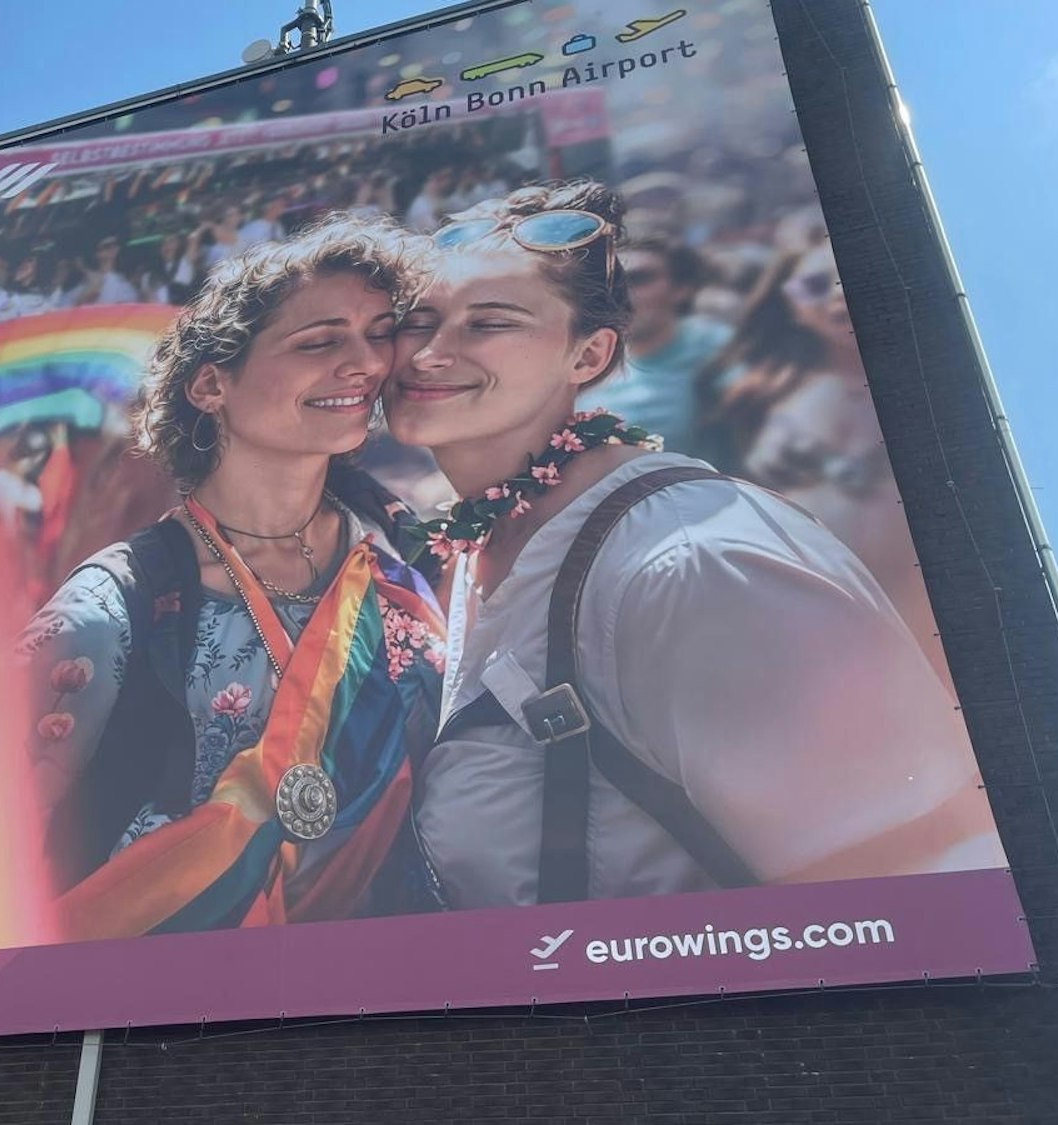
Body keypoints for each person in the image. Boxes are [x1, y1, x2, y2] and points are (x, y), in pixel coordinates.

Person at [384, 180, 1003, 909]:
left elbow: (920, 890)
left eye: (490, 323)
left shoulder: (693, 564)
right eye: (416, 321)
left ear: (588, 355)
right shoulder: (473, 549)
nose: (429, 352)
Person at [19, 216, 448, 941]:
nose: (367, 364)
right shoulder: (108, 610)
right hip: (182, 1021)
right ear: (211, 385)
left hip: (409, 987)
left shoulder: (406, 551)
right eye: (319, 341)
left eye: (379, 334)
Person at [701, 239, 952, 688]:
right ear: (793, 307)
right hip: (821, 613)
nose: (837, 294)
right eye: (815, 286)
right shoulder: (757, 398)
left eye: (845, 278)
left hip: (925, 599)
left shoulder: (934, 377)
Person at [575, 236, 730, 455]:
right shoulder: (587, 360)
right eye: (610, 282)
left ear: (682, 288)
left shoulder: (718, 347)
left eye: (638, 279)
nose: (620, 294)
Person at [73, 235, 144, 305]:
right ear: (96, 253)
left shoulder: (123, 282)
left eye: (115, 245)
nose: (113, 249)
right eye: (107, 246)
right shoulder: (87, 281)